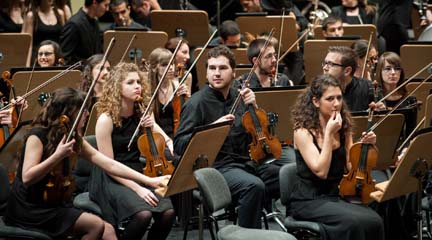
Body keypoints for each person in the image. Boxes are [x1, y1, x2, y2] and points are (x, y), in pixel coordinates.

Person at [4, 87, 170, 239]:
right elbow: (27, 177)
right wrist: (57, 155)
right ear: (68, 113)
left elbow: (109, 164)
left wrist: (149, 181)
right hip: (30, 207)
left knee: (109, 232)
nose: (86, 115)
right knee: (95, 226)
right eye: (82, 111)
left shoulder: (74, 138)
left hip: (55, 201)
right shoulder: (37, 135)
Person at [174, 45, 280, 228]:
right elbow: (179, 145)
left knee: (288, 176)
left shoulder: (240, 98)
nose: (216, 73)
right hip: (217, 167)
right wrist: (212, 129)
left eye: (222, 68)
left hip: (246, 162)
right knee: (253, 186)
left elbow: (260, 134)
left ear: (233, 72)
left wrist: (254, 107)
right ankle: (247, 235)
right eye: (212, 68)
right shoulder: (196, 103)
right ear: (206, 72)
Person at [289, 74, 384, 240]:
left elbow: (350, 168)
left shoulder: (344, 127)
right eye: (330, 99)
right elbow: (321, 171)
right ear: (316, 102)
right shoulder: (302, 132)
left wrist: (365, 148)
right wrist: (328, 134)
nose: (337, 104)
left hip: (336, 194)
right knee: (353, 223)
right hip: (309, 199)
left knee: (375, 221)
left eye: (339, 98)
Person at [89, 62, 175, 240]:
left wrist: (161, 136)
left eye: (138, 82)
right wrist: (138, 189)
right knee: (143, 215)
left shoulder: (142, 112)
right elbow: (109, 165)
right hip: (110, 176)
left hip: (136, 170)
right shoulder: (106, 119)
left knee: (168, 213)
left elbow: (164, 138)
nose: (137, 86)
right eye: (130, 82)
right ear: (116, 87)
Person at [322, 45, 382, 112]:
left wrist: (380, 112)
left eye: (330, 64)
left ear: (347, 71)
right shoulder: (317, 90)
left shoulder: (370, 88)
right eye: (325, 63)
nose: (324, 68)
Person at [148, 47, 191, 140]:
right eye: (165, 65)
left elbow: (187, 116)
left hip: (176, 134)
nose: (171, 68)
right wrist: (168, 141)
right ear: (154, 68)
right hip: (157, 137)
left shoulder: (177, 85)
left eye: (172, 64)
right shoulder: (148, 90)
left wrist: (188, 98)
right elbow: (151, 123)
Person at [375, 51, 418, 138]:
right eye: (388, 69)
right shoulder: (374, 97)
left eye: (397, 68)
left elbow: (411, 133)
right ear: (380, 72)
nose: (393, 72)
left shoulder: (410, 100)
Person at [59, 0, 110, 64]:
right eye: (105, 5)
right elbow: (66, 57)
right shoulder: (73, 25)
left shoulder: (94, 22)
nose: (107, 9)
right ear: (94, 2)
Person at [21, 0, 65, 66]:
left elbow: (63, 40)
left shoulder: (60, 14)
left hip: (55, 59)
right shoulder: (32, 15)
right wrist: (26, 65)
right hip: (39, 59)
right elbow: (29, 44)